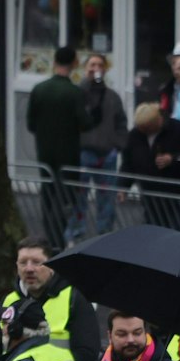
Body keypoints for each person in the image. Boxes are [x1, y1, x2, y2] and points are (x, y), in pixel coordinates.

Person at [0, 236, 99, 361]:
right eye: (23, 262)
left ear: (51, 264)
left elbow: (87, 354)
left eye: (36, 262)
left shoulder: (73, 298)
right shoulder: (9, 301)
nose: (29, 269)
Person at [26, 46, 95, 249]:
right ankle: (58, 240)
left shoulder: (39, 89)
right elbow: (85, 123)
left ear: (54, 61)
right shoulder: (74, 92)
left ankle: (48, 238)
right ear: (74, 63)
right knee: (65, 198)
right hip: (68, 155)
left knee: (47, 194)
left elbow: (31, 124)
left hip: (45, 152)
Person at [77, 52, 128, 238]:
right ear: (85, 68)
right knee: (78, 197)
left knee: (107, 200)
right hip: (83, 153)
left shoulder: (112, 97)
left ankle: (104, 235)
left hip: (107, 155)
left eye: (100, 65)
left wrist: (117, 146)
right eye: (92, 65)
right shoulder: (78, 94)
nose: (96, 69)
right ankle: (76, 233)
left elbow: (121, 123)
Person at [122, 103, 180, 232]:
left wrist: (173, 159)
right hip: (150, 196)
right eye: (141, 128)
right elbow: (128, 163)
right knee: (152, 232)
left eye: (146, 128)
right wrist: (122, 187)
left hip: (176, 195)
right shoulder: (136, 134)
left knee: (175, 232)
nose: (143, 131)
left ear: (157, 121)